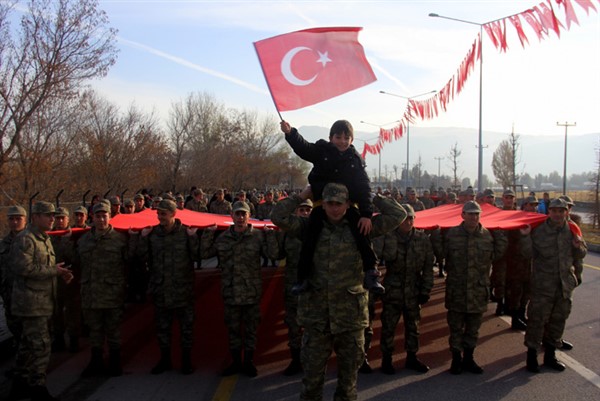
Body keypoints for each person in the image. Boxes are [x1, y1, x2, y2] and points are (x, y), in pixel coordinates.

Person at [271, 183, 406, 401]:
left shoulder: (360, 227)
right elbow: (277, 217)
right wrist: (302, 196)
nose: (334, 208)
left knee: (347, 384)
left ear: (347, 204)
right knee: (311, 383)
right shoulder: (309, 228)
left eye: (339, 203)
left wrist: (369, 196)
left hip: (349, 318)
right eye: (330, 203)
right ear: (322, 204)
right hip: (317, 317)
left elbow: (398, 214)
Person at [280, 120, 383, 294]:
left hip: (348, 206)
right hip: (322, 204)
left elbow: (364, 186)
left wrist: (366, 213)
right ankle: (303, 278)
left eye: (346, 138)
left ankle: (371, 274)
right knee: (310, 238)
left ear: (351, 139)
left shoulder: (355, 160)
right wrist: (291, 133)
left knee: (362, 235)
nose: (342, 141)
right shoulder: (322, 151)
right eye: (338, 137)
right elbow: (304, 148)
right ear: (331, 138)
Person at [201, 201, 279, 377]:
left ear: (249, 215)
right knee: (233, 330)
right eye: (237, 214)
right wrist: (207, 234)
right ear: (232, 216)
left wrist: (271, 236)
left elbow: (273, 255)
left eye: (244, 214)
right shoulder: (223, 238)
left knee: (251, 329)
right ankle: (236, 362)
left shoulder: (257, 236)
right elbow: (204, 255)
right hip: (231, 293)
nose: (240, 217)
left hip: (251, 292)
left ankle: (248, 362)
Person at [8, 201, 73, 401]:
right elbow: (24, 268)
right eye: (48, 215)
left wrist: (59, 272)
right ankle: (37, 388)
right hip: (31, 304)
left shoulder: (42, 239)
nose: (53, 219)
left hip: (41, 302)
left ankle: (20, 384)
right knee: (41, 346)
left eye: (53, 215)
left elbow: (41, 267)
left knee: (28, 345)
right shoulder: (26, 239)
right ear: (35, 217)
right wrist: (55, 271)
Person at [520, 198, 587, 373]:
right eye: (554, 211)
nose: (558, 214)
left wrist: (578, 246)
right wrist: (526, 237)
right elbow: (528, 254)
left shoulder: (572, 229)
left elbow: (581, 253)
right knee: (537, 320)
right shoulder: (539, 230)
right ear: (549, 211)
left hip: (564, 286)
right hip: (543, 285)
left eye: (561, 211)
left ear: (566, 212)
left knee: (558, 321)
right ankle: (532, 356)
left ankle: (550, 356)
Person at [135, 199, 199, 375]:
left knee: (186, 328)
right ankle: (165, 360)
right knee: (163, 328)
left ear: (173, 214)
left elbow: (196, 255)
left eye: (163, 214)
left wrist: (194, 238)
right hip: (161, 289)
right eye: (158, 214)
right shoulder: (153, 234)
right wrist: (142, 238)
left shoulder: (185, 232)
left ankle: (186, 360)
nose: (160, 217)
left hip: (182, 289)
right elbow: (141, 256)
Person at [444, 201, 507, 375]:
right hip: (457, 290)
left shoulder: (487, 236)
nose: (473, 217)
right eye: (470, 213)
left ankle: (469, 359)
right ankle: (456, 360)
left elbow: (497, 254)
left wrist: (501, 234)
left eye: (476, 214)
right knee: (455, 328)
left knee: (473, 329)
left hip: (478, 291)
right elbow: (441, 252)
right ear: (462, 215)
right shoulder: (452, 235)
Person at [76, 202, 130, 378]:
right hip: (91, 293)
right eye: (97, 216)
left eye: (104, 215)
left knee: (113, 330)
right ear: (92, 217)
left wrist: (138, 238)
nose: (101, 219)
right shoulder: (83, 240)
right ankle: (96, 362)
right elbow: (75, 261)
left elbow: (131, 259)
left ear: (109, 216)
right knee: (95, 331)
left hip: (112, 293)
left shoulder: (120, 239)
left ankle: (115, 362)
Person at [379, 204, 434, 375]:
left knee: (413, 327)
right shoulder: (388, 237)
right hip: (392, 289)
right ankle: (386, 360)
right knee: (388, 326)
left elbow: (427, 266)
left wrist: (426, 290)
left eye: (411, 218)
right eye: (404, 218)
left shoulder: (422, 239)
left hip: (413, 289)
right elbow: (373, 258)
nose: (408, 221)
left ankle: (411, 358)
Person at [279, 198, 313, 376]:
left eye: (308, 210)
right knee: (293, 325)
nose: (305, 213)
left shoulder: (318, 233)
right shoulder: (287, 233)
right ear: (296, 212)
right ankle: (295, 360)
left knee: (313, 326)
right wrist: (274, 235)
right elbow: (276, 254)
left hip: (312, 288)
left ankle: (311, 361)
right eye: (302, 210)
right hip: (292, 286)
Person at [0, 206, 27, 354]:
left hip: (29, 296)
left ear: (25, 220)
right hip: (10, 295)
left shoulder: (32, 240)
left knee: (30, 334)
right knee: (14, 329)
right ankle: (20, 363)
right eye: (11, 219)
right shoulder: (4, 244)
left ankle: (31, 367)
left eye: (18, 219)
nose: (15, 222)